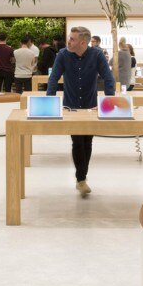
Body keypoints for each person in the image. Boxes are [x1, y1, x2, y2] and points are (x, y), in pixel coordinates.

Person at [46, 26, 115, 196]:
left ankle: (81, 178)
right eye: (70, 38)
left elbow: (108, 78)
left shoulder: (97, 55)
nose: (69, 41)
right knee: (77, 141)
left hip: (90, 106)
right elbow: (53, 78)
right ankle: (81, 179)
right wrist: (50, 103)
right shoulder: (62, 54)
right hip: (71, 107)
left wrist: (107, 103)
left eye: (72, 39)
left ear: (83, 42)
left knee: (87, 142)